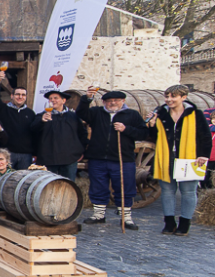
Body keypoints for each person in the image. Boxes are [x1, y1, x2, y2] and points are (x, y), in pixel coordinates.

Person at [77, 89, 149, 230]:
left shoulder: (132, 115)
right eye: (109, 101)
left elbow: (144, 133)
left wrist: (126, 129)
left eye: (116, 100)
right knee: (98, 187)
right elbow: (81, 113)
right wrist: (87, 98)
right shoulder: (97, 113)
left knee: (125, 188)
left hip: (122, 158)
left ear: (123, 101)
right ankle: (99, 215)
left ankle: (126, 217)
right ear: (104, 102)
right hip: (98, 158)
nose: (113, 103)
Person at [147, 84, 212, 236]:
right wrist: (151, 125)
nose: (169, 100)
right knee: (168, 192)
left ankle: (184, 223)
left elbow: (205, 136)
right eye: (167, 96)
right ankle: (169, 223)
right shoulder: (160, 113)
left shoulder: (195, 114)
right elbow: (154, 137)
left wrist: (203, 155)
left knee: (188, 192)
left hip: (190, 158)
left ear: (183, 97)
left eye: (173, 96)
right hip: (166, 157)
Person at [30, 90, 87, 181]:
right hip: (48, 159)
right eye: (50, 99)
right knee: (48, 187)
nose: (52, 100)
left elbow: (82, 134)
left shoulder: (73, 116)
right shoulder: (41, 116)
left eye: (55, 98)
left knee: (68, 187)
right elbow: (33, 131)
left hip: (69, 159)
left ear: (63, 101)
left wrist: (81, 151)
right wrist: (42, 121)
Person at [0, 73, 36, 169]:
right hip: (7, 153)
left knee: (23, 181)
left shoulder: (31, 113)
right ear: (12, 96)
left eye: (23, 95)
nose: (20, 97)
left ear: (26, 97)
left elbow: (35, 134)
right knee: (7, 180)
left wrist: (35, 153)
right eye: (17, 94)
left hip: (26, 155)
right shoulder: (3, 109)